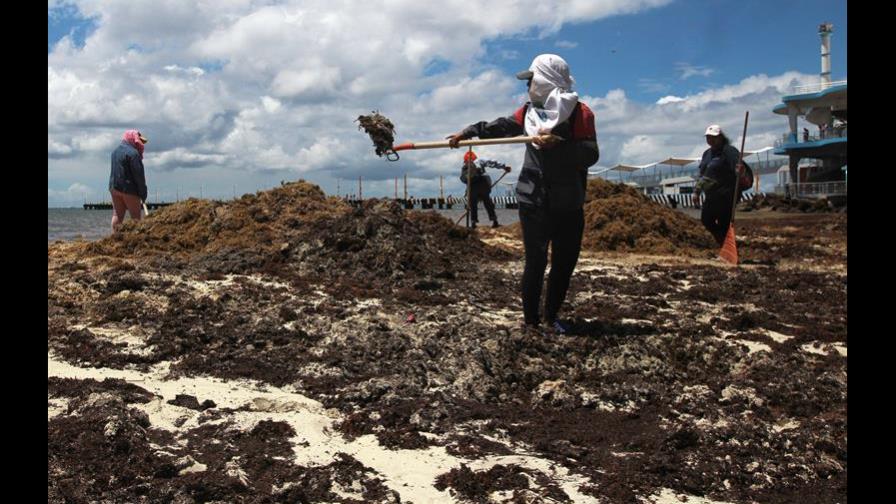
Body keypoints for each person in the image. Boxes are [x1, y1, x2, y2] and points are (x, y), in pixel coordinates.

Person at [446, 54, 599, 334]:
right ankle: (530, 321)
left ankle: (551, 317)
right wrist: (468, 132)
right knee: (535, 261)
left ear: (547, 80)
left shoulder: (580, 113)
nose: (527, 86)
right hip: (533, 199)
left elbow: (590, 154)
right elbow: (500, 127)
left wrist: (558, 145)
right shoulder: (529, 113)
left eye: (531, 80)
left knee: (564, 263)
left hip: (568, 202)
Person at [691, 124, 748, 246]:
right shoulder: (707, 154)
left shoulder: (729, 151)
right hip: (711, 194)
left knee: (724, 222)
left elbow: (737, 167)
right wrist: (696, 191)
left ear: (721, 137)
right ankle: (724, 241)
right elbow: (702, 175)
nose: (711, 140)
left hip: (727, 194)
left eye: (714, 137)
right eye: (708, 137)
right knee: (706, 220)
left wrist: (740, 171)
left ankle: (726, 246)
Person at [109, 129, 149, 233]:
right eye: (138, 141)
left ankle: (114, 237)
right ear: (132, 139)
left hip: (114, 188)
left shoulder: (114, 152)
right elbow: (139, 176)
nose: (139, 144)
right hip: (129, 189)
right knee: (136, 218)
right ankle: (137, 238)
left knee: (117, 215)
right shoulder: (133, 154)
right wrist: (143, 192)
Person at [460, 151, 510, 228]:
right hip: (483, 184)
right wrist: (503, 166)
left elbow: (466, 180)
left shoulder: (465, 165)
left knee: (473, 205)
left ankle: (473, 223)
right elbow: (491, 162)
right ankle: (494, 221)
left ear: (465, 159)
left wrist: (467, 192)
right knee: (487, 203)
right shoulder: (479, 161)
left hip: (472, 187)